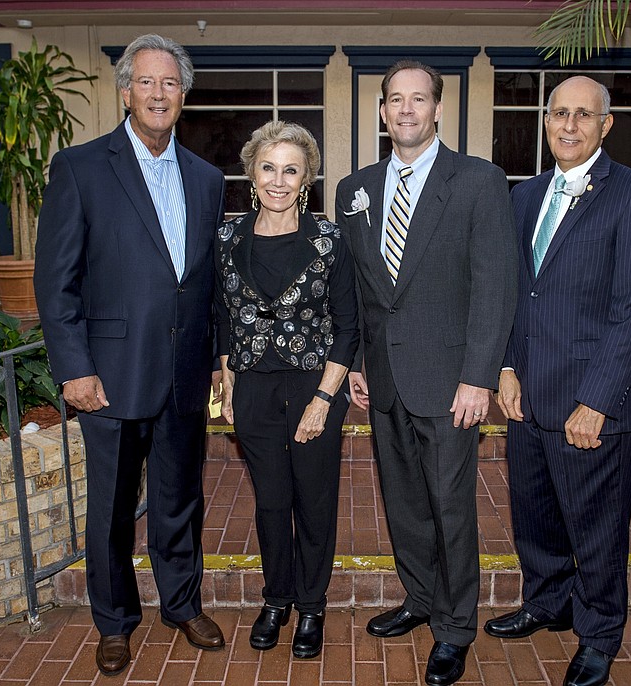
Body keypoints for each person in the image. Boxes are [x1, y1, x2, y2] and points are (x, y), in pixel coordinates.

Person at [33, 34, 226, 677]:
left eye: (170, 84)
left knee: (180, 500)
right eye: (146, 82)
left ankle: (181, 604)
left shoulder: (204, 178)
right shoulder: (82, 167)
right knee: (112, 508)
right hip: (108, 376)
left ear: (183, 96)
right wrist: (73, 368)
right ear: (125, 92)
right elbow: (54, 281)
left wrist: (218, 358)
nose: (158, 94)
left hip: (185, 374)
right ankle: (114, 622)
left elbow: (207, 283)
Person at [335, 60, 517, 686]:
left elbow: (495, 288)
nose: (406, 110)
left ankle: (456, 626)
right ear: (381, 111)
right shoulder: (354, 189)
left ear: (439, 108)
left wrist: (479, 376)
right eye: (395, 100)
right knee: (405, 504)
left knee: (451, 508)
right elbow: (361, 290)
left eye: (419, 99)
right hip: (384, 378)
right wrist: (357, 361)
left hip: (449, 381)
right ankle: (418, 598)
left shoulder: (478, 181)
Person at [484, 76, 631, 686]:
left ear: (605, 124)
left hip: (592, 402)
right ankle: (546, 601)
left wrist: (596, 400)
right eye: (559, 113)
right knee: (534, 514)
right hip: (529, 396)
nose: (569, 125)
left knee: (595, 529)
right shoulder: (525, 195)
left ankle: (598, 633)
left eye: (583, 115)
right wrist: (507, 367)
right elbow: (515, 291)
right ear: (545, 119)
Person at [215, 120, 358, 660]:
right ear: (252, 173)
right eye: (269, 168)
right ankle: (277, 599)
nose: (279, 180)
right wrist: (227, 384)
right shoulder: (228, 239)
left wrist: (324, 401)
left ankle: (312, 606)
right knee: (271, 502)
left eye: (291, 170)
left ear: (307, 179)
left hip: (313, 386)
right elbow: (223, 318)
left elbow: (348, 325)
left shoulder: (329, 241)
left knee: (314, 502)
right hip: (252, 388)